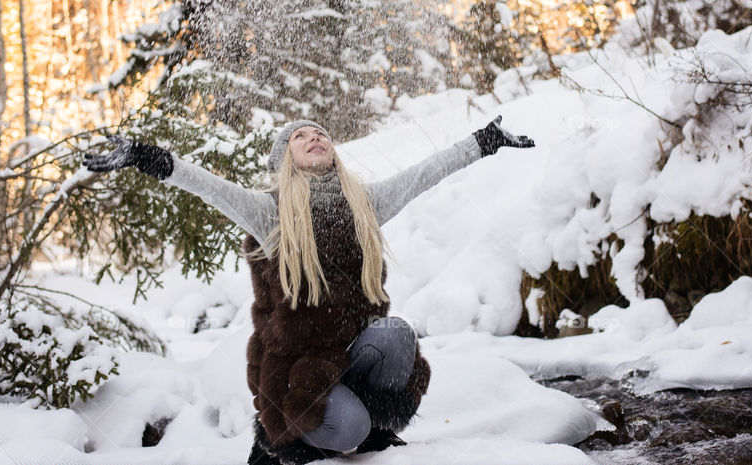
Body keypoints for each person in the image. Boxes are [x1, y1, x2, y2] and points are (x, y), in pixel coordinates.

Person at [83, 116, 534, 465]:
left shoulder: (364, 204)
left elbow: (423, 174)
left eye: (320, 133)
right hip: (298, 371)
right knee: (348, 430)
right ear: (286, 158)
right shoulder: (270, 213)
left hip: (352, 353)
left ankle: (369, 423)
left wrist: (481, 142)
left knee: (396, 335)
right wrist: (150, 158)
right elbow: (209, 188)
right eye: (301, 137)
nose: (314, 137)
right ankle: (286, 437)